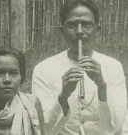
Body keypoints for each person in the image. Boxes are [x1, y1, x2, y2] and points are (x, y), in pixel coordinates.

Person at [31, 0, 127, 135]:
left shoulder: (113, 66)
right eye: (72, 25)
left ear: (97, 30)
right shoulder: (43, 69)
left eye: (87, 24)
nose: (80, 31)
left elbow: (117, 126)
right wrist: (63, 96)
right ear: (62, 31)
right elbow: (42, 129)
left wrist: (102, 86)